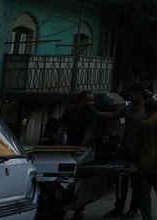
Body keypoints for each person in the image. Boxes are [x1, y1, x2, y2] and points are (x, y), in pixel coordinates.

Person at [100, 85, 146, 219]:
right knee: (121, 181)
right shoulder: (128, 108)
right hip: (125, 150)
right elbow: (114, 115)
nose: (130, 98)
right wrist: (98, 113)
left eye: (133, 96)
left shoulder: (146, 110)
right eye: (130, 96)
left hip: (139, 152)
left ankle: (133, 209)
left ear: (140, 95)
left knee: (137, 183)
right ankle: (118, 208)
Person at [56, 91, 97, 219]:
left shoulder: (92, 113)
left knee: (76, 169)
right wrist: (57, 145)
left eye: (92, 100)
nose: (92, 103)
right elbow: (61, 128)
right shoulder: (69, 110)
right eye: (89, 100)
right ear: (82, 100)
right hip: (70, 146)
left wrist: (81, 148)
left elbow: (89, 132)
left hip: (86, 147)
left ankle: (79, 207)